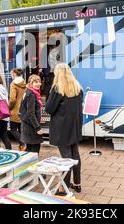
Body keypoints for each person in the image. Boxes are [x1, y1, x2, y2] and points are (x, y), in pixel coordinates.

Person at [45, 63, 83, 194]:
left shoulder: (57, 88)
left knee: (66, 157)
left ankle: (64, 188)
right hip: (74, 126)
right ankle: (77, 183)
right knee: (75, 154)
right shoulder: (77, 87)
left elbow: (49, 108)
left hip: (62, 128)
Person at [19, 74, 44, 153]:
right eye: (35, 82)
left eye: (39, 81)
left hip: (27, 126)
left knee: (29, 151)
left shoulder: (28, 91)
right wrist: (37, 127)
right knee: (34, 152)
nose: (38, 84)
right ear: (30, 83)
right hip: (31, 128)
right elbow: (30, 113)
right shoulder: (31, 94)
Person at [8, 68, 27, 151]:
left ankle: (23, 144)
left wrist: (8, 108)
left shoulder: (13, 84)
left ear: (15, 74)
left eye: (11, 74)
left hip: (15, 110)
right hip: (23, 109)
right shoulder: (24, 83)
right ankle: (22, 146)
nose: (11, 75)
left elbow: (12, 99)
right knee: (20, 130)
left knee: (13, 129)